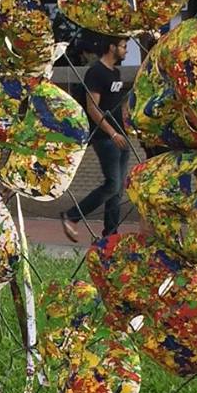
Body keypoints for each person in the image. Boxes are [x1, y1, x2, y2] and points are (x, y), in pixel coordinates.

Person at [62, 36, 131, 242]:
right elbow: (93, 108)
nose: (126, 50)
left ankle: (110, 236)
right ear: (112, 47)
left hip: (122, 137)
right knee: (112, 184)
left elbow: (118, 104)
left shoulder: (115, 73)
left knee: (118, 191)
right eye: (123, 46)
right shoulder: (96, 72)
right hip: (106, 138)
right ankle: (72, 216)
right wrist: (112, 133)